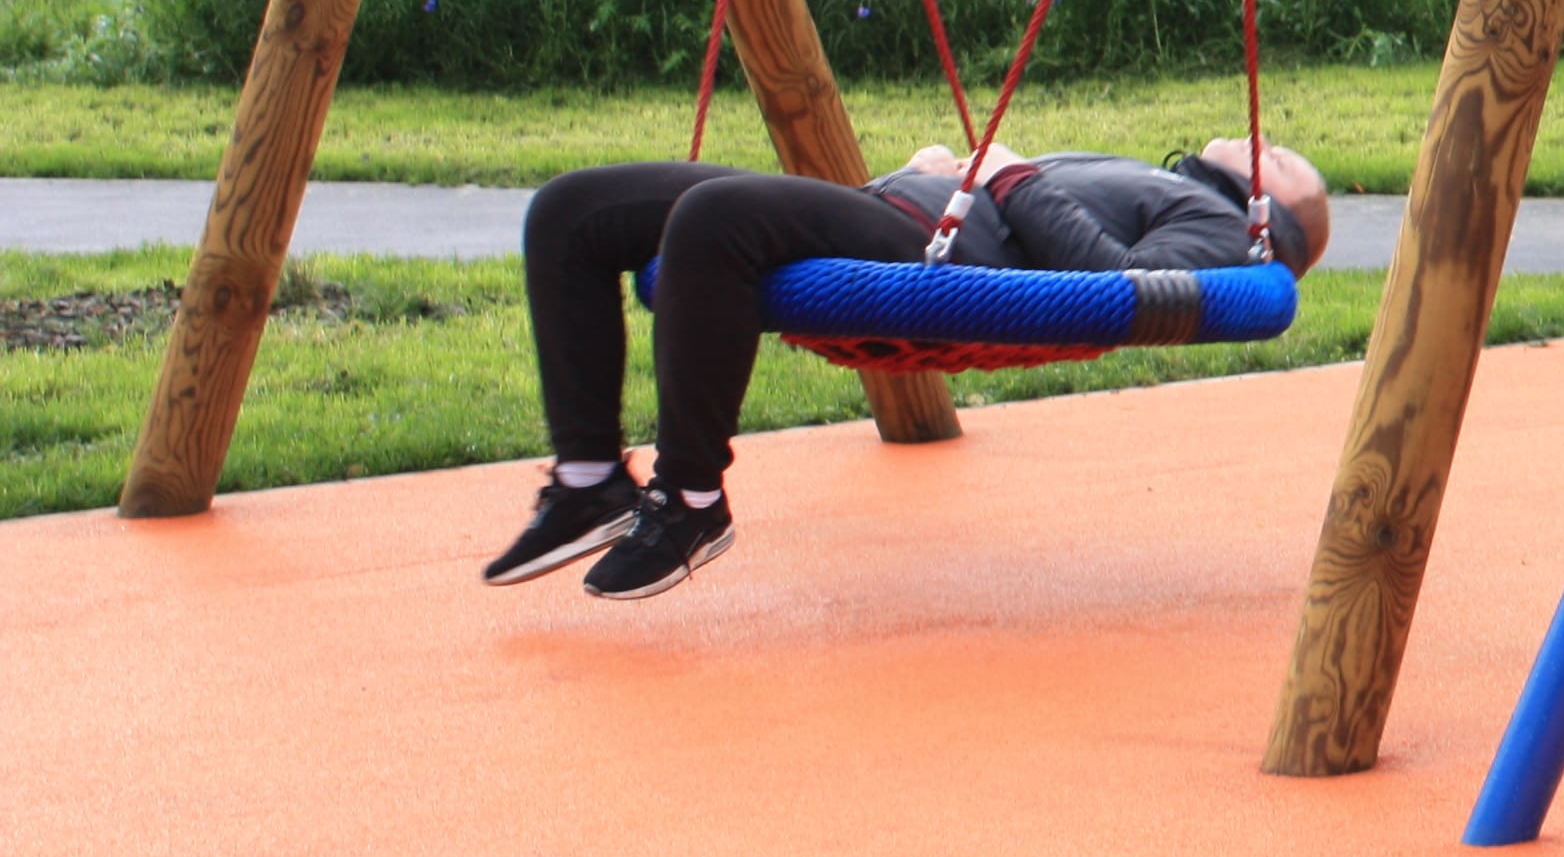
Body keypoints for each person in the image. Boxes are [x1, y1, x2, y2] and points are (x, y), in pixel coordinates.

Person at [479, 136, 1331, 601]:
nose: (1265, 140)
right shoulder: (1159, 178)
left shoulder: (1227, 231)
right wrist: (945, 174)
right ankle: (589, 479)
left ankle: (691, 499)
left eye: (1284, 157)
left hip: (932, 266)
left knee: (712, 219)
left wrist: (1005, 173)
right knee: (570, 211)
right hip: (884, 213)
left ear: (1277, 216)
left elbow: (1112, 280)